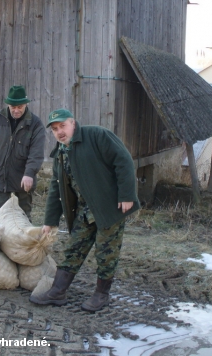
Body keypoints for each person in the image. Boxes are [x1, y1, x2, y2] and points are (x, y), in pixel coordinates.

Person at [30, 109, 140, 312]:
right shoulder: (61, 153)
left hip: (109, 207)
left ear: (73, 123)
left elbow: (123, 160)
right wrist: (50, 220)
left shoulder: (96, 135)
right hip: (84, 211)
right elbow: (56, 188)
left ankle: (101, 295)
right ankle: (57, 292)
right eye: (55, 129)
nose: (59, 132)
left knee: (106, 253)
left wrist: (126, 195)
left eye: (62, 126)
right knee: (73, 248)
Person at [0, 86, 45, 223]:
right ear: (8, 104)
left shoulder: (35, 124)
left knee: (23, 216)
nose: (16, 110)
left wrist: (29, 173)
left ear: (26, 104)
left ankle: (22, 244)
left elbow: (36, 153)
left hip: (23, 178)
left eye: (20, 107)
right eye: (13, 107)